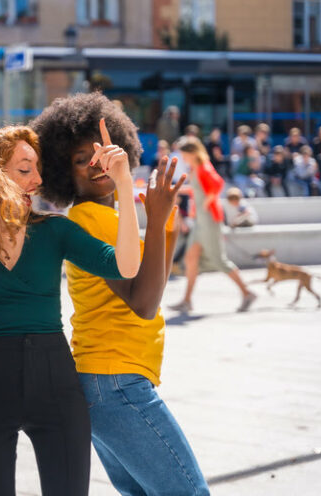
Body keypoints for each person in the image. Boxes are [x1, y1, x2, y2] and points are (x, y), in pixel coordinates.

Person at [0, 108, 142, 495]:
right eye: (26, 169)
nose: (39, 180)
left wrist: (125, 184)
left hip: (56, 382)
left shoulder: (56, 231)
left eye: (38, 168)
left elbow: (126, 266)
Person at [34, 93, 210, 496]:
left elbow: (153, 286)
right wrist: (159, 220)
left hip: (109, 382)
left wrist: (163, 226)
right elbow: (143, 303)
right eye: (81, 159)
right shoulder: (88, 218)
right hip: (114, 383)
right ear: (64, 172)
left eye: (103, 151)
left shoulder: (111, 216)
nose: (96, 165)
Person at [170, 137, 257, 313]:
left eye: (184, 155)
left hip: (209, 220)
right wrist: (176, 189)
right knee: (190, 258)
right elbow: (197, 189)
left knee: (219, 261)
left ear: (192, 153)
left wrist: (206, 202)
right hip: (200, 222)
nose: (183, 158)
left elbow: (218, 185)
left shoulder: (204, 166)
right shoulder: (195, 168)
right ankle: (186, 301)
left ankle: (247, 293)